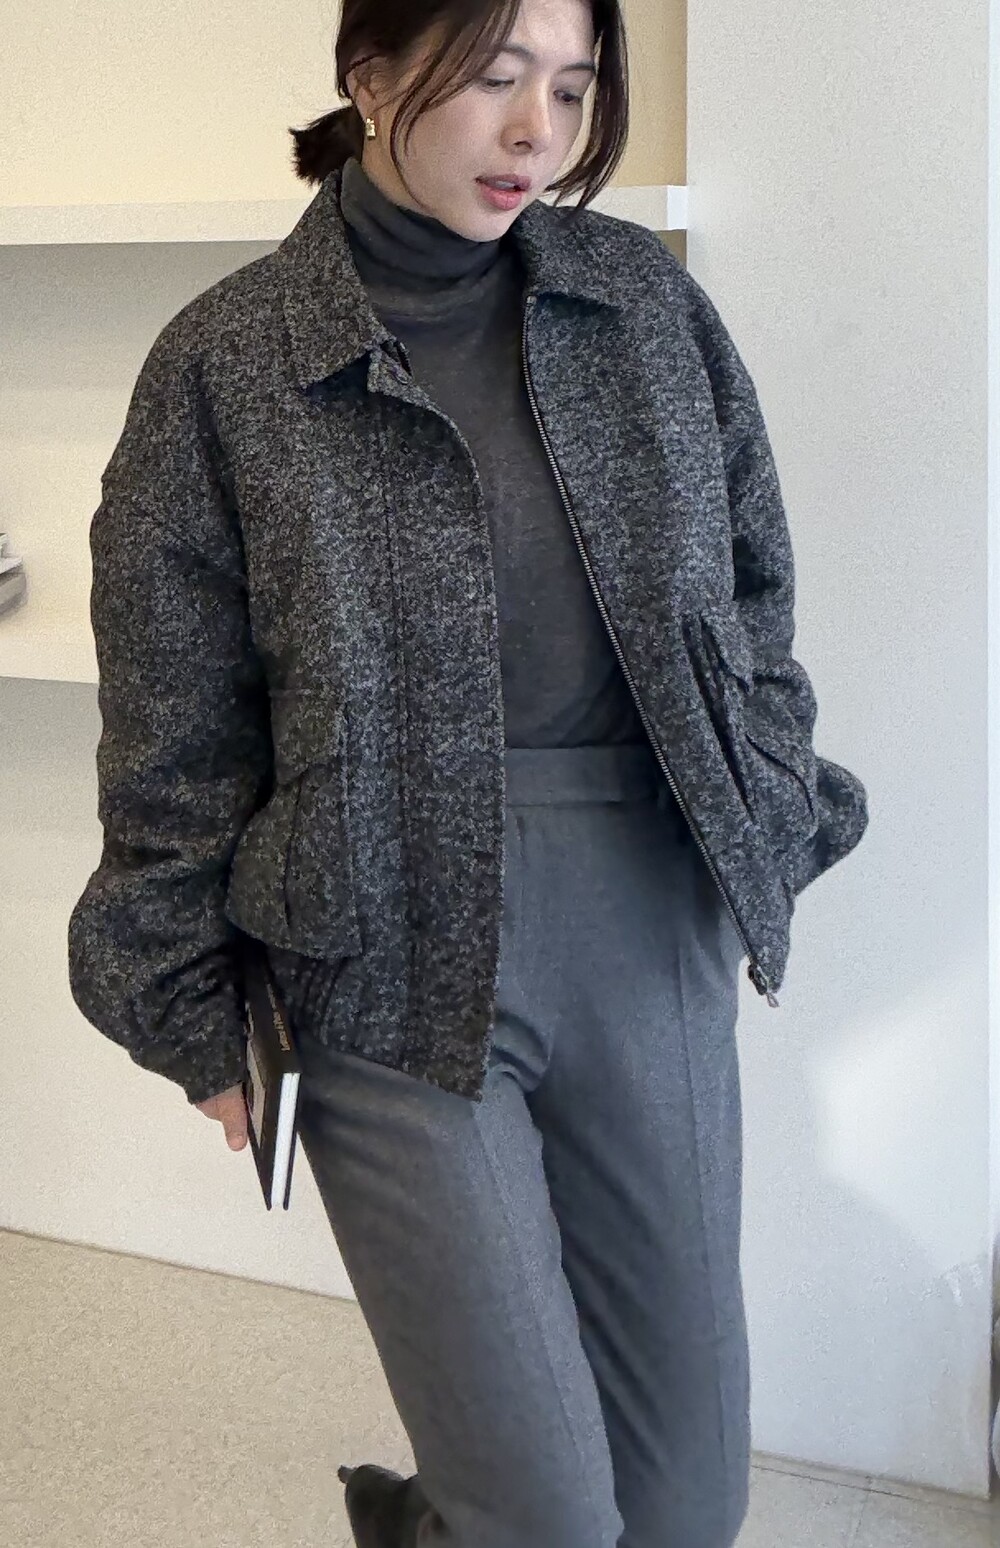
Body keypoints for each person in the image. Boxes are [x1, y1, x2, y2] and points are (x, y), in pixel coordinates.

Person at [67, 0, 870, 1543]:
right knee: (547, 1517)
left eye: (571, 88)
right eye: (496, 79)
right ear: (370, 76)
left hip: (647, 922)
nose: (535, 134)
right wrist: (191, 1008)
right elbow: (170, 730)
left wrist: (761, 793)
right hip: (382, 951)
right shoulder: (227, 361)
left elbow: (752, 586)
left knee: (688, 1509)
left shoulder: (642, 303)